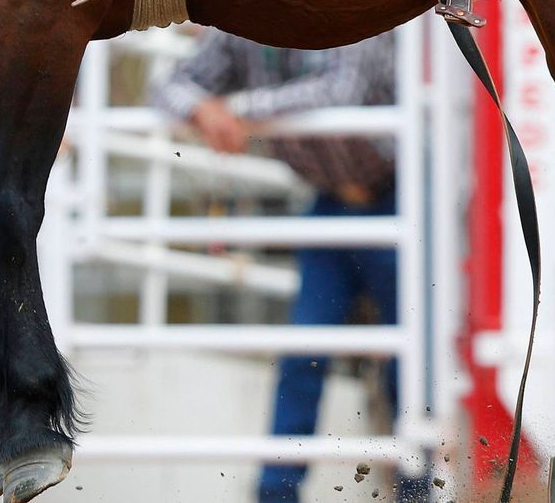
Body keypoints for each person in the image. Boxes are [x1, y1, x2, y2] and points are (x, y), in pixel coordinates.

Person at [149, 31, 426, 503]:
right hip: (334, 201)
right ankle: (277, 493)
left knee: (411, 358)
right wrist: (204, 109)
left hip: (401, 197)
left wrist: (236, 108)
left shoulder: (349, 9)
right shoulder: (241, 31)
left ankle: (417, 488)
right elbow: (166, 85)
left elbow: (343, 90)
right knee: (304, 350)